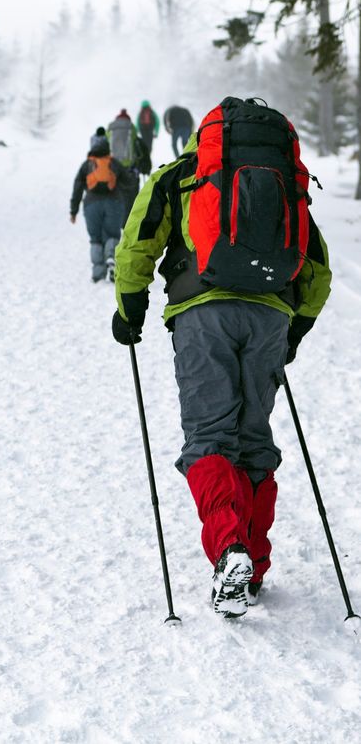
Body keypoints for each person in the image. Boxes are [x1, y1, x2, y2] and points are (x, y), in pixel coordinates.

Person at [111, 97, 332, 618]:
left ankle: (228, 550)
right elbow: (316, 270)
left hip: (201, 314)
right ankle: (253, 566)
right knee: (254, 438)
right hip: (271, 316)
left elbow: (137, 241)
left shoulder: (183, 174)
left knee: (209, 436)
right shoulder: (285, 182)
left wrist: (130, 306)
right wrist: (294, 329)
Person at [70, 131, 131, 282]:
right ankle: (111, 257)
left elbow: (77, 187)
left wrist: (74, 210)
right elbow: (128, 183)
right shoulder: (114, 163)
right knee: (112, 234)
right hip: (114, 202)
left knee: (95, 239)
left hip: (91, 204)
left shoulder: (87, 165)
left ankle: (98, 273)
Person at [107, 110, 148, 227]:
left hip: (113, 169)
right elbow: (139, 146)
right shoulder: (131, 128)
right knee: (131, 198)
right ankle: (129, 224)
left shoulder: (110, 128)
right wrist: (144, 167)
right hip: (130, 170)